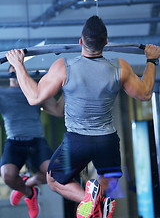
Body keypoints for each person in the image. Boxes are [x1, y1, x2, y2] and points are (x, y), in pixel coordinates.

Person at [5, 16, 160, 218]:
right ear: (106, 42)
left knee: (54, 181)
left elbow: (34, 97)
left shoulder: (64, 67)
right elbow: (145, 94)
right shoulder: (120, 67)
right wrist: (151, 60)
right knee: (109, 182)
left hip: (77, 140)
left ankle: (90, 199)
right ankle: (99, 202)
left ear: (80, 41)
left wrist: (18, 65)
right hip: (107, 139)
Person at [0, 65, 64, 218]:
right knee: (7, 176)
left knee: (54, 174)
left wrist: (68, 88)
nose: (16, 75)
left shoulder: (36, 91)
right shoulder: (2, 94)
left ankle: (28, 183)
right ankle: (29, 193)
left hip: (36, 142)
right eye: (13, 72)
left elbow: (58, 111)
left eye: (19, 71)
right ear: (9, 75)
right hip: (15, 142)